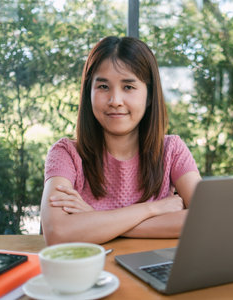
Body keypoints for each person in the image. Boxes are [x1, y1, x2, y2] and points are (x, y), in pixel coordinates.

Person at [40, 36, 201, 245]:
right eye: (103, 87)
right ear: (88, 92)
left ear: (149, 95)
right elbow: (57, 233)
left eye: (128, 87)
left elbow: (204, 220)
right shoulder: (65, 153)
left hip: (152, 270)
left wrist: (94, 219)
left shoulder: (172, 150)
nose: (115, 101)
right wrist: (152, 209)